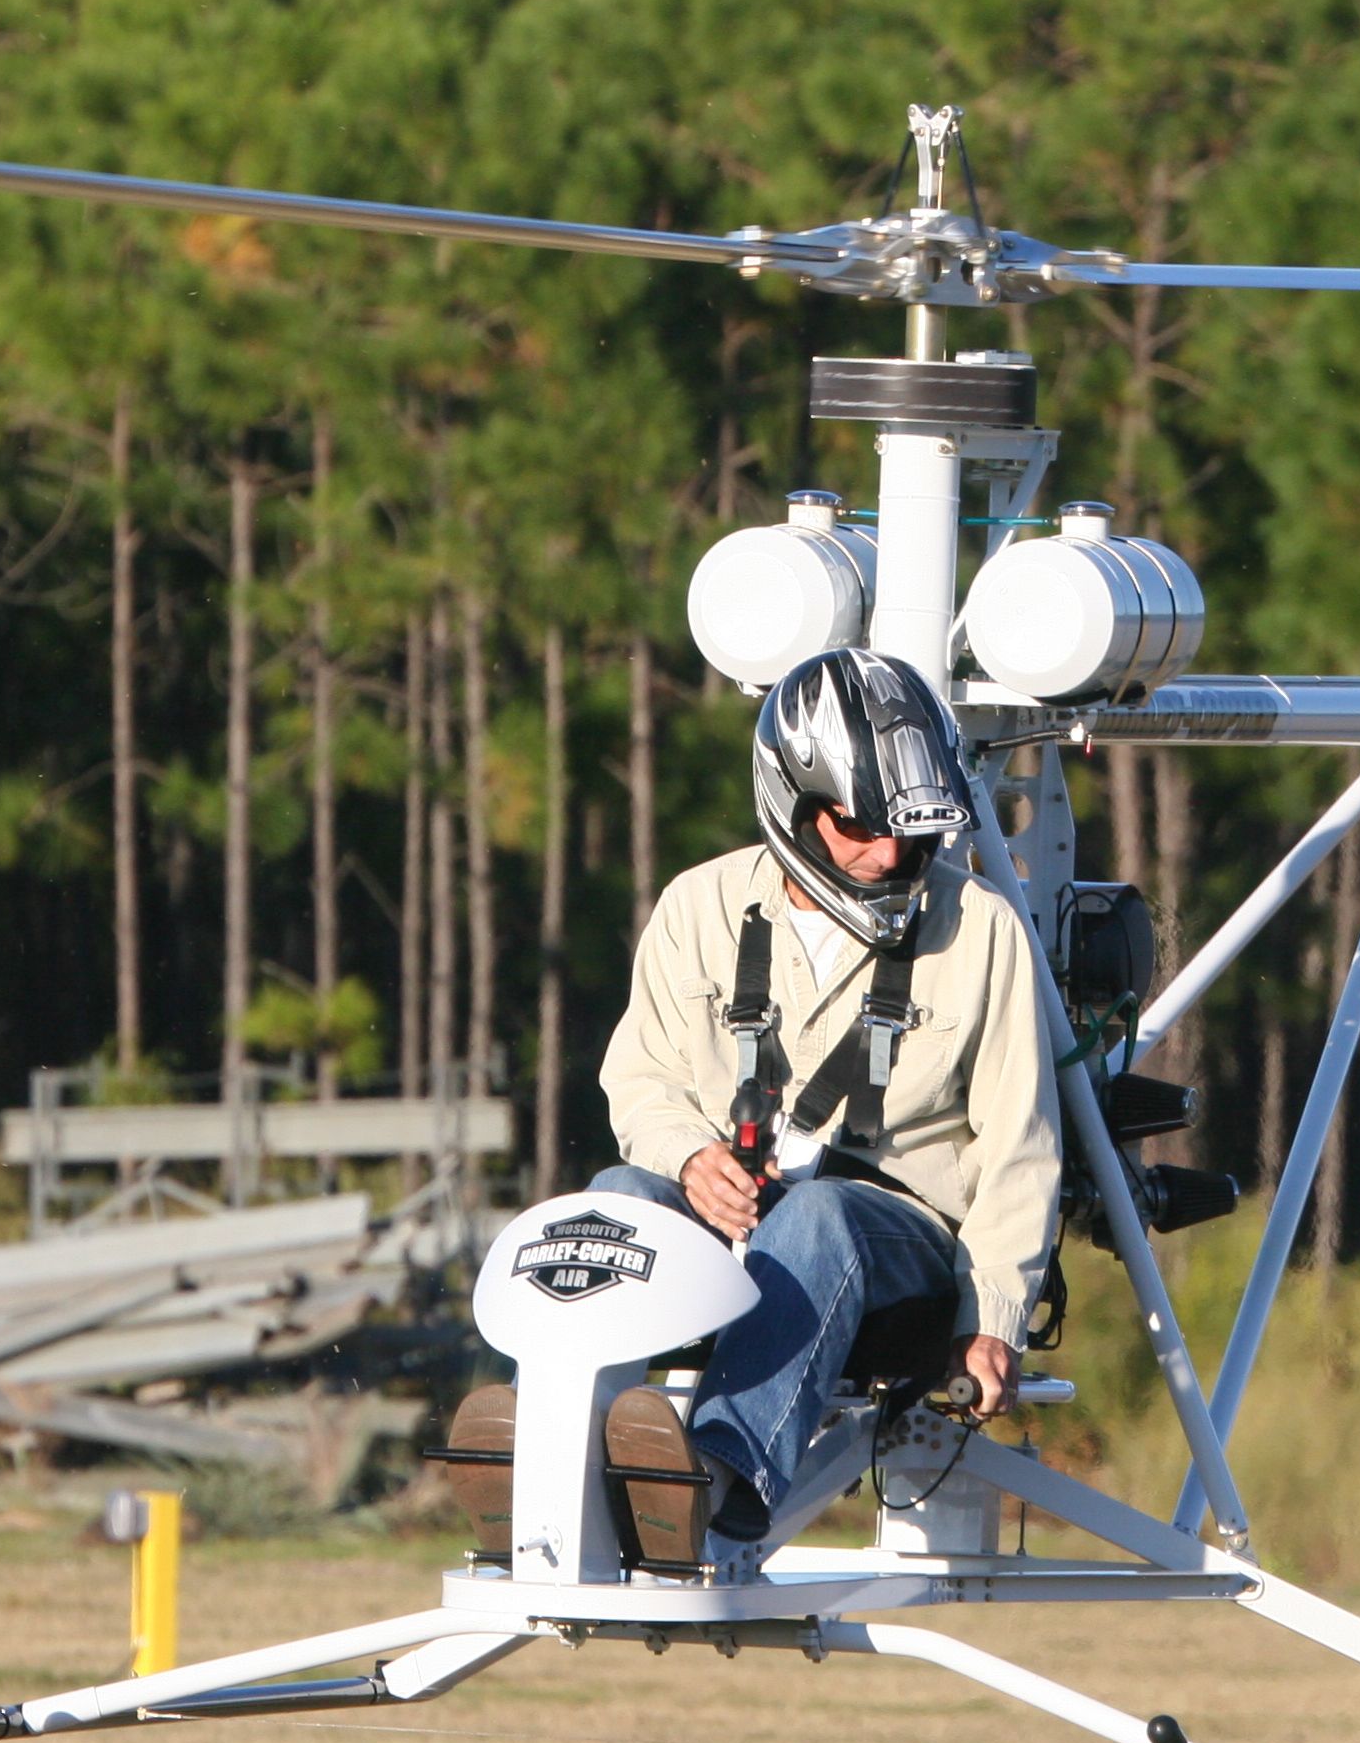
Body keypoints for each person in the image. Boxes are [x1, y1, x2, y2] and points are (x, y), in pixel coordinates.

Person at [446, 648, 1062, 1574]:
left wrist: (994, 1319)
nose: (887, 853)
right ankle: (542, 1461)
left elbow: (1022, 1147)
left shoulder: (979, 930)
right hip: (731, 1205)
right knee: (618, 1194)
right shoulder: (698, 906)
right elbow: (640, 1080)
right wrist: (690, 1155)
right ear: (793, 802)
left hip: (898, 1241)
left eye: (905, 829)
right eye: (857, 824)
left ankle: (715, 1485)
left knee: (818, 1215)